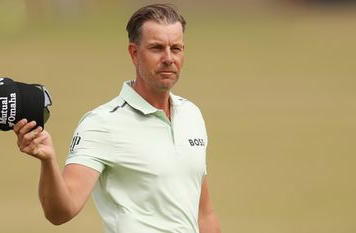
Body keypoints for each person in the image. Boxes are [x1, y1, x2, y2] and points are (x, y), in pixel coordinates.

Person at [13, 3, 221, 233]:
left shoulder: (191, 114)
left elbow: (204, 213)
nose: (168, 58)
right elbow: (60, 212)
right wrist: (48, 161)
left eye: (176, 48)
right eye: (157, 48)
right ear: (134, 53)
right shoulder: (102, 123)